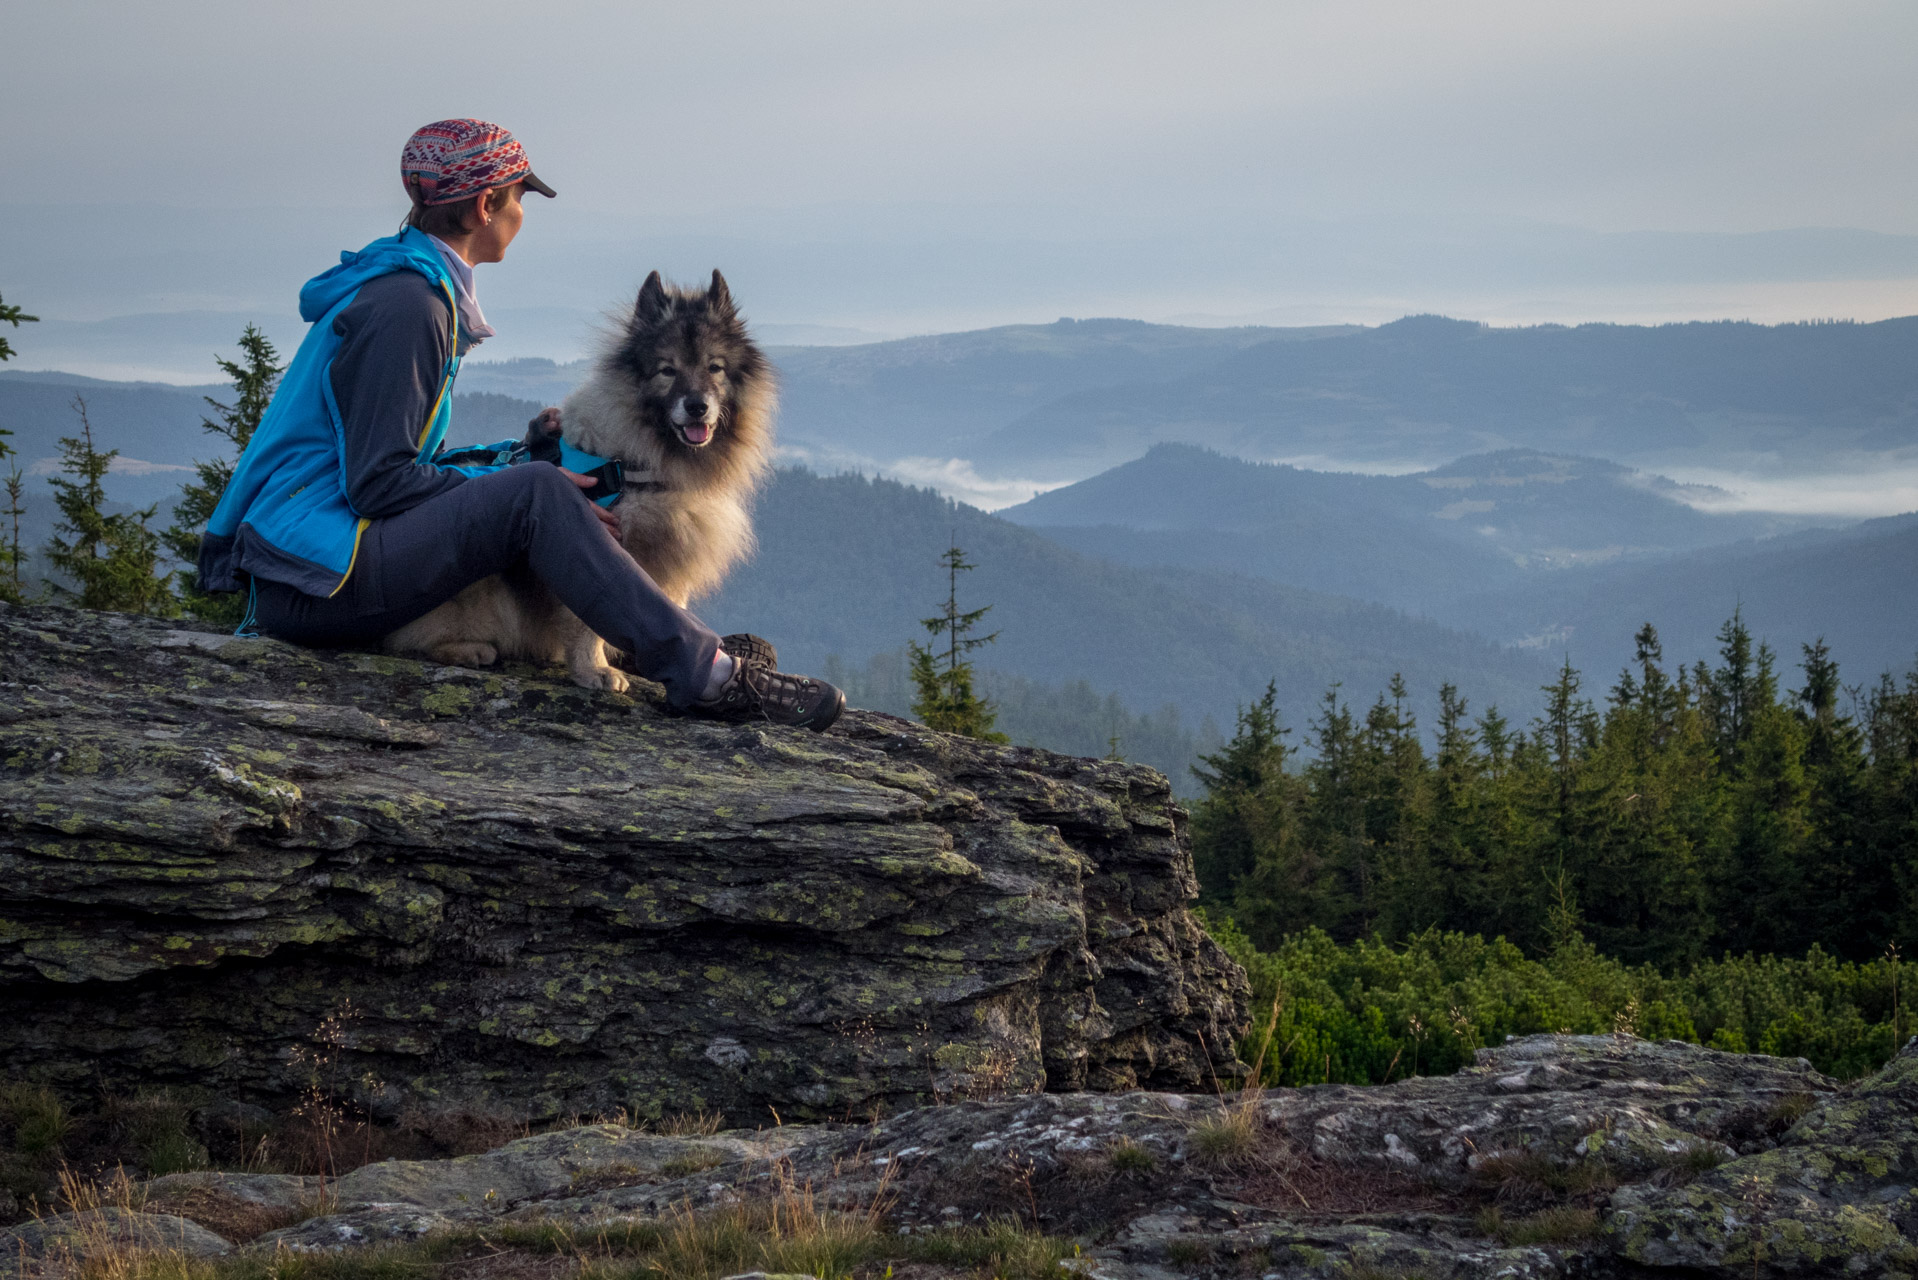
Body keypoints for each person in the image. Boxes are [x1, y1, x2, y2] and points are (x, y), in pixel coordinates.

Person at [197, 119, 843, 730]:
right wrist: (524, 481)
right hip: (319, 578)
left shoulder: (411, 288)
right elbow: (377, 483)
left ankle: (652, 641)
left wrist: (508, 456)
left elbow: (389, 464)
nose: (521, 215)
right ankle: (705, 674)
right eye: (518, 199)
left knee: (535, 477)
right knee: (540, 491)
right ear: (483, 209)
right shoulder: (410, 309)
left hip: (318, 565)